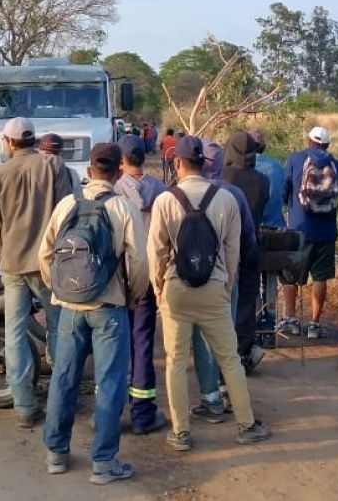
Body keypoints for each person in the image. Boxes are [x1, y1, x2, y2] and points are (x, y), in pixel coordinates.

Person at [147, 136, 271, 451]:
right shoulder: (226, 199)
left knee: (176, 361)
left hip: (177, 289)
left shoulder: (165, 200)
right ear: (204, 163)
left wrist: (159, 287)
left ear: (177, 163)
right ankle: (246, 425)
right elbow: (232, 251)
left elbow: (156, 252)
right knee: (229, 359)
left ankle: (181, 433)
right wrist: (226, 285)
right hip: (214, 289)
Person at [39, 143, 149, 485]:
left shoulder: (66, 205)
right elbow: (139, 262)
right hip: (109, 308)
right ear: (118, 172)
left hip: (69, 308)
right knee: (110, 382)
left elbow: (45, 256)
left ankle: (56, 454)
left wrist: (61, 289)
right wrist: (132, 296)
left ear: (88, 171)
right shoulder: (123, 207)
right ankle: (103, 463)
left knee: (64, 378)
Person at [0, 117, 74, 427]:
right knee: (59, 329)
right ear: (33, 140)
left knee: (14, 334)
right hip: (47, 264)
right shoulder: (54, 167)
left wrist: (3, 259)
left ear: (9, 142)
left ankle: (24, 405)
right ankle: (61, 400)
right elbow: (67, 215)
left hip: (13, 264)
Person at [113, 136, 169, 435]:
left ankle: (110, 411)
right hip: (147, 277)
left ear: (121, 161)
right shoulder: (160, 190)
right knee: (142, 341)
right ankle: (143, 413)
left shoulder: (114, 191)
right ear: (143, 158)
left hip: (117, 280)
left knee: (112, 344)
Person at [279, 126, 338, 339]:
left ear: (309, 142)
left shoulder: (295, 159)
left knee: (289, 276)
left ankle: (291, 320)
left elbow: (284, 189)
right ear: (327, 145)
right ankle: (314, 325)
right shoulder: (337, 165)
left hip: (299, 228)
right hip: (326, 231)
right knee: (320, 277)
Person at [222, 131, 269, 371]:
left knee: (224, 299)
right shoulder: (263, 180)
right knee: (247, 300)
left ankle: (223, 352)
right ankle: (243, 350)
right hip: (251, 245)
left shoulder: (223, 177)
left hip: (224, 247)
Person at [248, 129, 286, 337]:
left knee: (251, 277)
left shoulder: (244, 169)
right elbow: (284, 195)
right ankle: (270, 325)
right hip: (276, 231)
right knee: (270, 277)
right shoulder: (277, 166)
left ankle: (254, 323)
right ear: (264, 147)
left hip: (252, 232)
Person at [39, 133, 82, 199]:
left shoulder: (30, 171)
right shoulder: (72, 173)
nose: (51, 157)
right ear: (61, 152)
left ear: (39, 151)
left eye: (54, 153)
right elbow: (78, 198)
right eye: (47, 153)